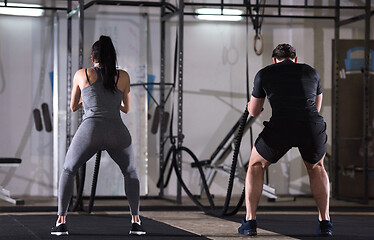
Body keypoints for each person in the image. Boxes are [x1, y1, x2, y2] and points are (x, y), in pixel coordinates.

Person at [51, 35, 146, 236]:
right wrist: (111, 102)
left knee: (68, 169)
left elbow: (73, 106)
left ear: (93, 58)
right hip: (117, 131)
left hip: (91, 130)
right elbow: (126, 109)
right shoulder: (124, 76)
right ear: (112, 57)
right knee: (130, 172)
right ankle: (136, 221)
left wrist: (91, 102)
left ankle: (61, 222)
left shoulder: (82, 74)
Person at [238, 44, 332, 236]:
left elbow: (254, 111)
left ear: (274, 60)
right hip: (311, 126)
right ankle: (325, 223)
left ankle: (249, 222)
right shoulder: (311, 72)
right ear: (295, 59)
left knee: (256, 165)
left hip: (282, 126)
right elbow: (317, 106)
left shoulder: (264, 73)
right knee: (317, 168)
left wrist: (249, 105)